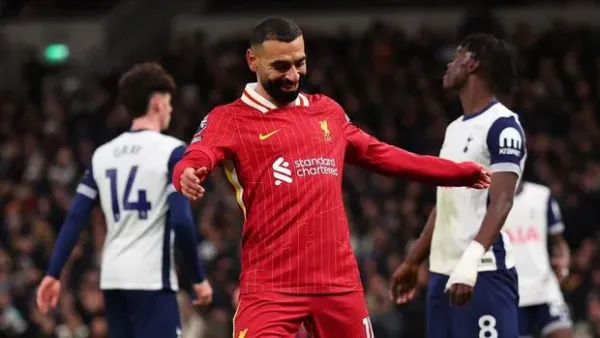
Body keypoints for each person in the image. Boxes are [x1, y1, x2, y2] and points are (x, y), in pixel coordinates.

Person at [172, 17, 491, 338]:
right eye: (281, 66)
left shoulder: (326, 112)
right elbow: (197, 156)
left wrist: (458, 172)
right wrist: (187, 173)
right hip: (271, 285)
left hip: (337, 283)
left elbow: (385, 156)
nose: (293, 75)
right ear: (252, 60)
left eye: (300, 63)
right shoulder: (230, 119)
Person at [36, 62, 213, 338]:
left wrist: (53, 273)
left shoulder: (103, 155)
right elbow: (181, 220)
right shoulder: (173, 152)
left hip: (113, 278)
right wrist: (198, 279)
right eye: (168, 102)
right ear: (156, 102)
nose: (170, 109)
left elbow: (75, 218)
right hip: (152, 279)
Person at [391, 33, 525, 338]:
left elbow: (502, 201)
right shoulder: (453, 129)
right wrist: (414, 261)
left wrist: (470, 263)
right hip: (441, 275)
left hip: (483, 273)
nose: (449, 65)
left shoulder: (503, 125)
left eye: (456, 57)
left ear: (473, 62)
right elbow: (446, 202)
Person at [503, 180, 573, 338]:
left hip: (545, 289)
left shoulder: (541, 195)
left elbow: (558, 242)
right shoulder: (486, 200)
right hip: (510, 295)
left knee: (563, 333)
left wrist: (564, 261)